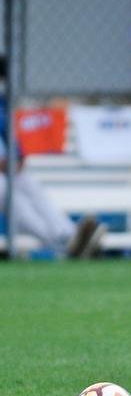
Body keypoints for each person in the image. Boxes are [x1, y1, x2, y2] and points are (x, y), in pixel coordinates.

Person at [0, 56, 103, 258]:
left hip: (6, 170)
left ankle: (70, 235)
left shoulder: (3, 102)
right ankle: (62, 243)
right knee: (7, 191)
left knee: (28, 184)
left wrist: (16, 158)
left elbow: (9, 137)